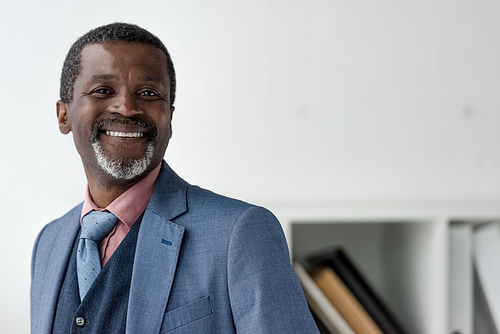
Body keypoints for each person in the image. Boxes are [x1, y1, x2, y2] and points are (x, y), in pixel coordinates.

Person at [30, 23, 319, 333]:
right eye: (103, 90)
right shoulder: (49, 242)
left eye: (148, 93)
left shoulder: (241, 233)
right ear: (64, 116)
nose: (127, 108)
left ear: (169, 115)